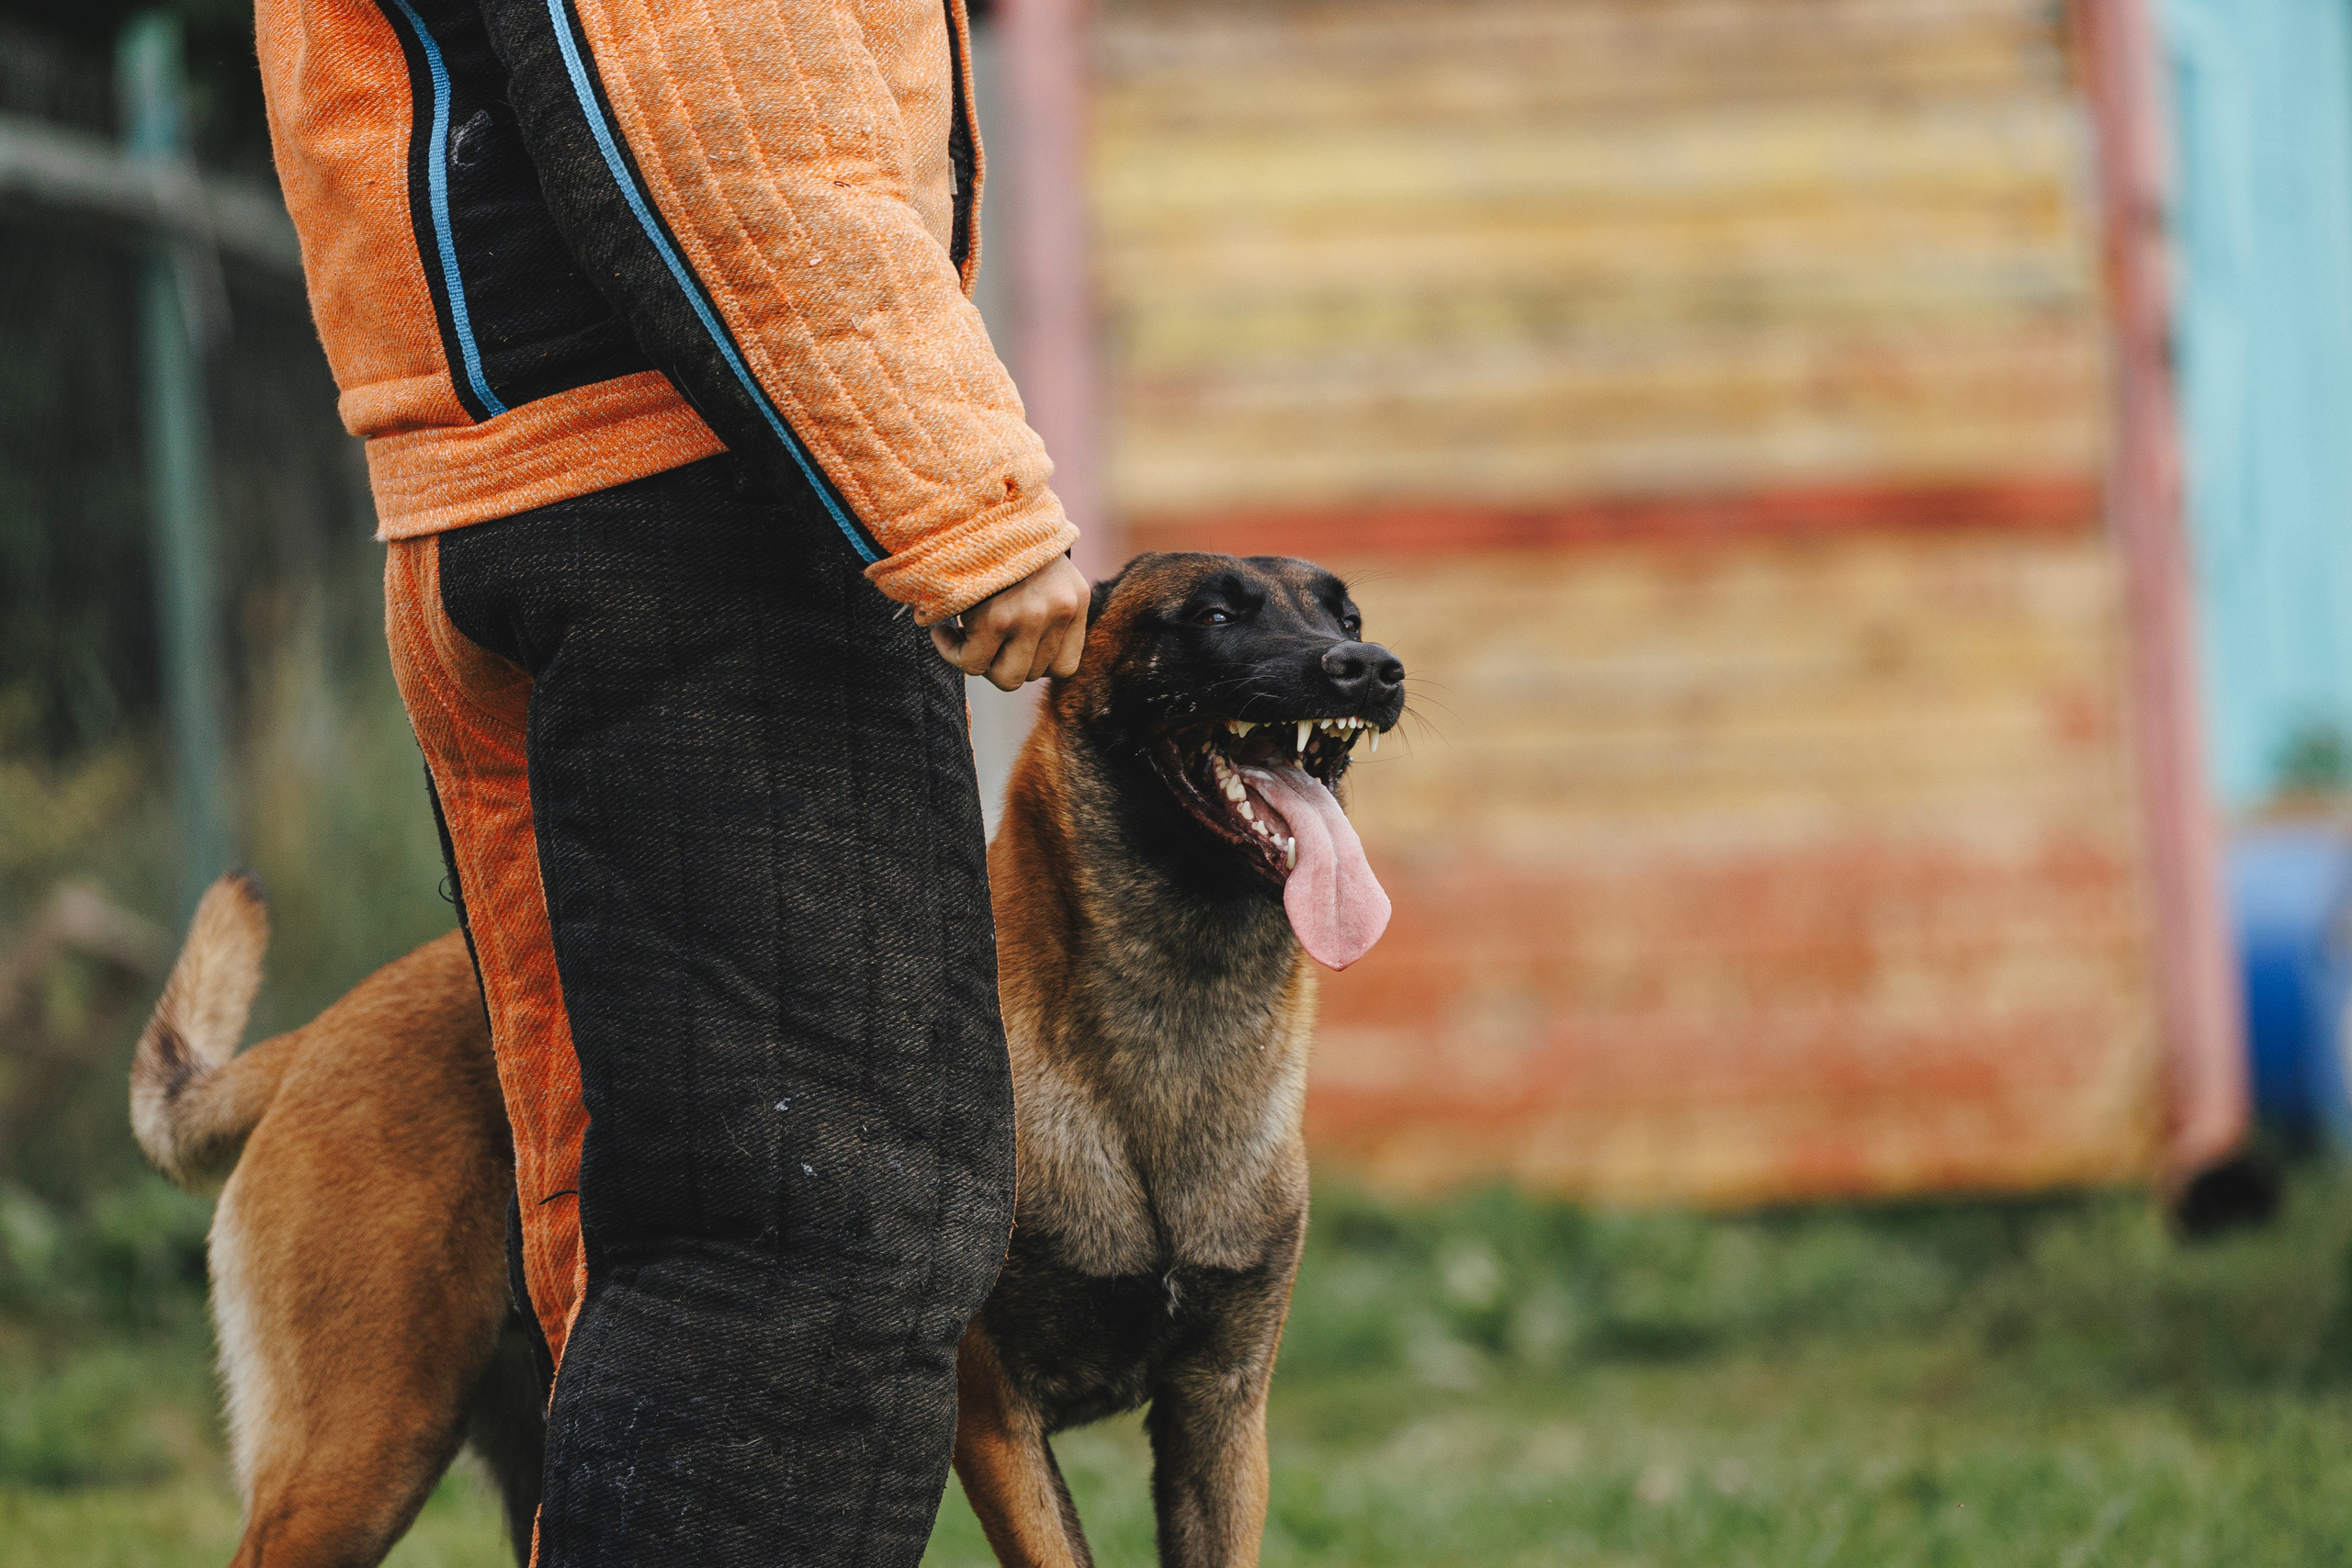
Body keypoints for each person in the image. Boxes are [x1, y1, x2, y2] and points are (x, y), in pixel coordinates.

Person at [254, 0, 1087, 1560]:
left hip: (544, 485)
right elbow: (718, 80)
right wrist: (952, 488)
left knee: (664, 1229)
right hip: (695, 505)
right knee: (805, 1243)